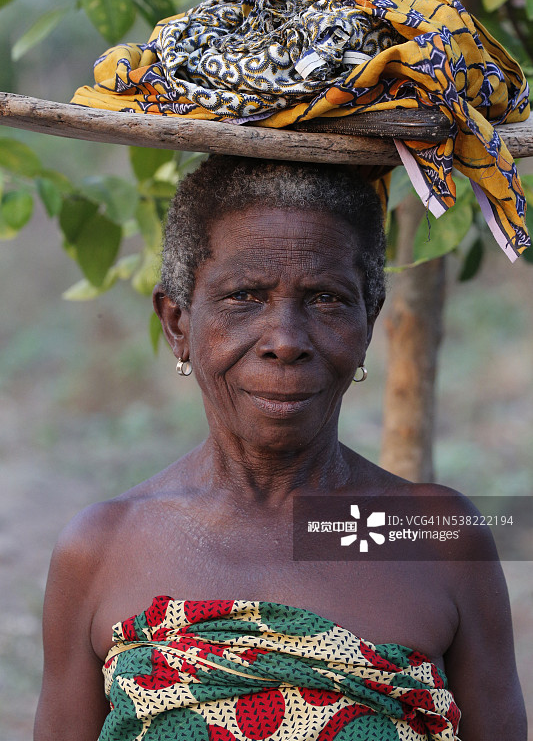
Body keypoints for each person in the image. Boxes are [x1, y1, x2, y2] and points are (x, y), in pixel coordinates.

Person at [34, 155, 526, 741]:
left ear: (369, 323)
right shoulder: (100, 548)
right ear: (177, 323)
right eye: (245, 296)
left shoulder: (437, 534)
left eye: (326, 299)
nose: (287, 341)